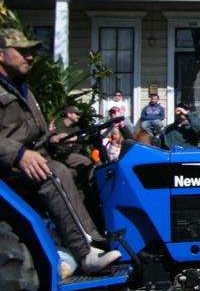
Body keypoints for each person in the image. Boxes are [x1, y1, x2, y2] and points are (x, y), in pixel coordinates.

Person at [0, 29, 121, 275]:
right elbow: (13, 141)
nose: (30, 57)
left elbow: (34, 132)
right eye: (22, 51)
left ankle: (102, 234)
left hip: (34, 156)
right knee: (54, 173)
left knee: (84, 165)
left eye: (30, 51)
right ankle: (87, 251)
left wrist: (52, 139)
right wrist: (19, 154)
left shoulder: (22, 89)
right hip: (9, 165)